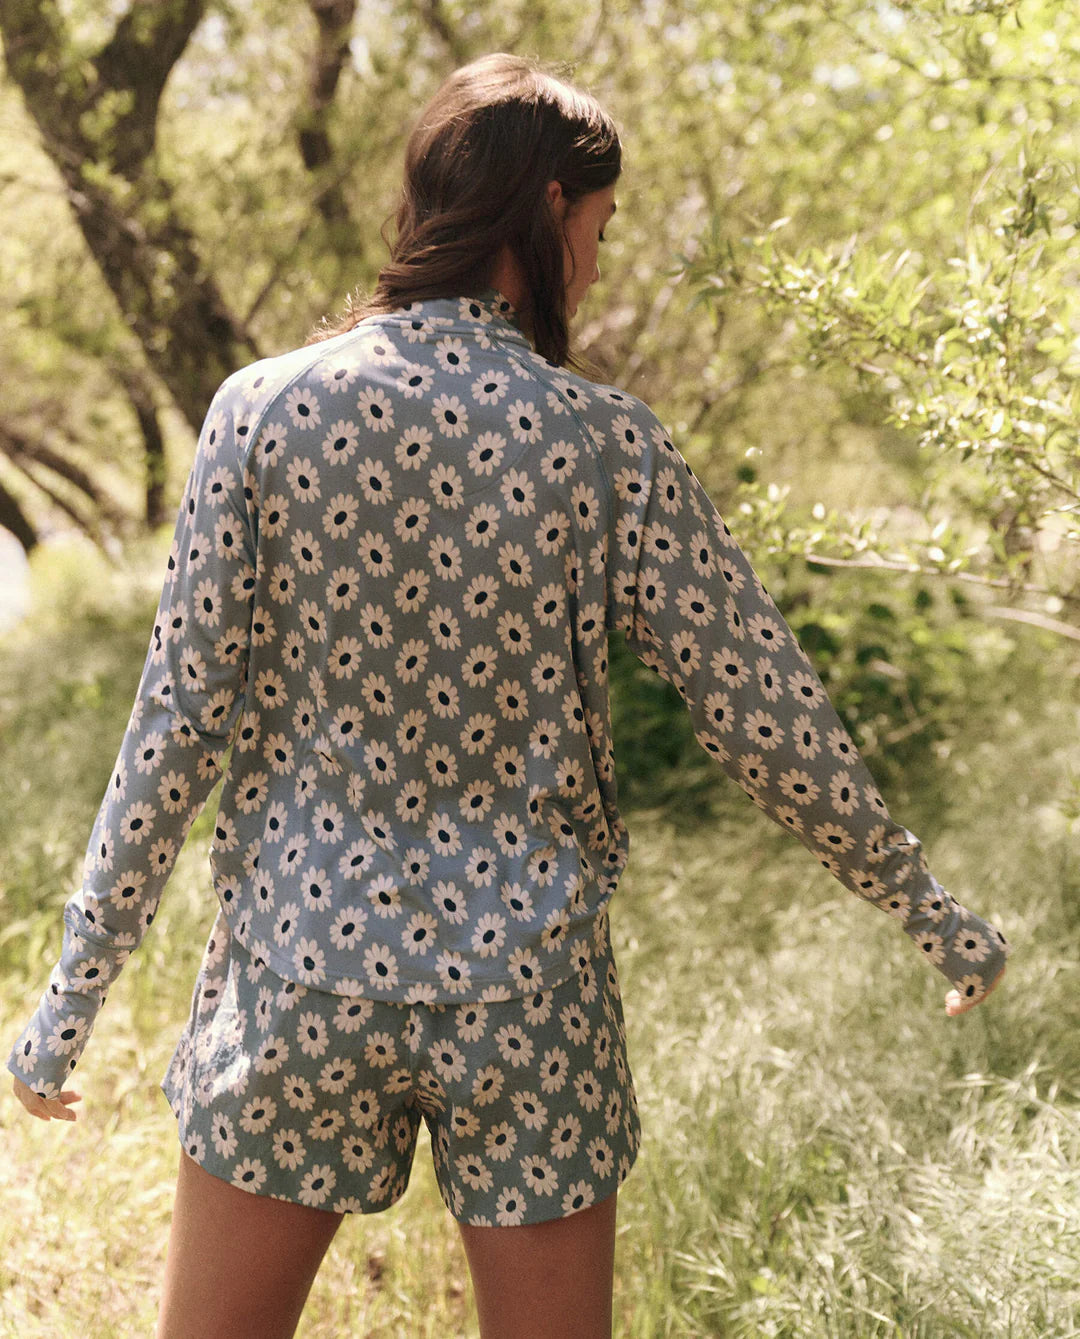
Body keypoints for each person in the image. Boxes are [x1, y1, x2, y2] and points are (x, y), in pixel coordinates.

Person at [7, 50, 1008, 1339]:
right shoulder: (604, 442)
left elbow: (177, 723)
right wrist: (925, 908)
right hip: (528, 993)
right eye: (597, 227)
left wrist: (67, 1000)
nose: (596, 261)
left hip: (297, 976)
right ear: (542, 208)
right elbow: (765, 710)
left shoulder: (260, 413)